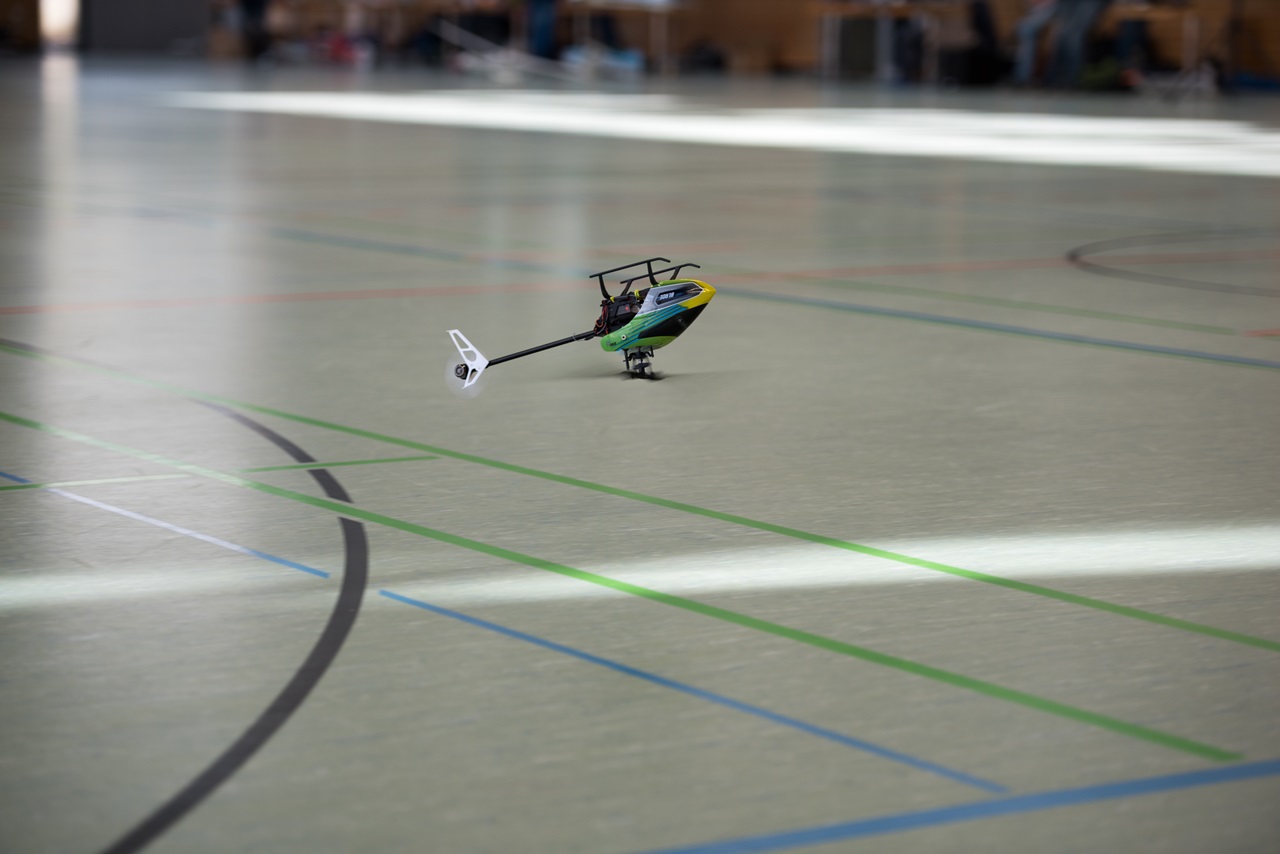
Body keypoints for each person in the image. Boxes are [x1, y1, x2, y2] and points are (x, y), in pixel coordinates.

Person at [1012, 0, 1058, 86]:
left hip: (1051, 10)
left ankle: (1022, 76)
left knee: (1025, 29)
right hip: (1035, 12)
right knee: (1022, 28)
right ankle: (1022, 76)